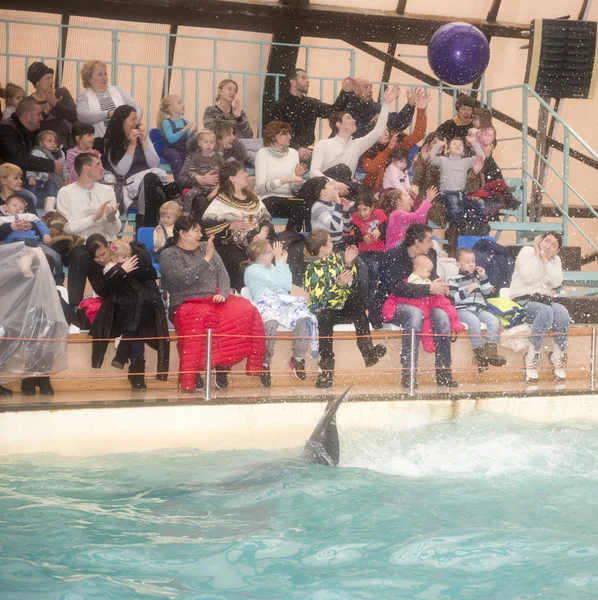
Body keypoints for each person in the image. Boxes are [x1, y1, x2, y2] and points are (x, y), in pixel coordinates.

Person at [159, 217, 265, 392]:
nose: (201, 235)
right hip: (184, 303)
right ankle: (195, 371)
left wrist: (223, 294)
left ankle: (223, 365)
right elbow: (182, 280)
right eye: (196, 231)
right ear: (182, 233)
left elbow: (223, 274)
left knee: (244, 310)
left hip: (214, 300)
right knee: (201, 319)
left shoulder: (206, 248)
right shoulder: (169, 255)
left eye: (201, 231)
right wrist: (205, 259)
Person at [373, 223, 458, 389]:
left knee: (442, 316)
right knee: (414, 314)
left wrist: (440, 288)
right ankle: (409, 372)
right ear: (417, 242)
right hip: (393, 303)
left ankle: (444, 373)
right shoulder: (393, 256)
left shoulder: (430, 254)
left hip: (423, 301)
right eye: (429, 240)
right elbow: (396, 288)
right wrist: (427, 288)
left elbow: (431, 278)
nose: (432, 243)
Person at [304, 230, 386, 388]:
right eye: (329, 241)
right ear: (322, 248)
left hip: (342, 305)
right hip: (325, 310)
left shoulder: (338, 259)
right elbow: (323, 301)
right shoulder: (312, 271)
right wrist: (338, 285)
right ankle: (326, 370)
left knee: (357, 307)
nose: (332, 244)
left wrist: (348, 264)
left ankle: (367, 350)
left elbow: (353, 285)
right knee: (324, 319)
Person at [87, 235, 169, 390]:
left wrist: (128, 265)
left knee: (138, 315)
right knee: (135, 316)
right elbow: (103, 290)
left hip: (142, 301)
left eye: (104, 254)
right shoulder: (93, 268)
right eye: (96, 258)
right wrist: (121, 271)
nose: (101, 259)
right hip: (118, 303)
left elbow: (151, 274)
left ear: (109, 246)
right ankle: (136, 368)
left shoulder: (131, 253)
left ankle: (135, 366)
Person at [244, 239, 317, 387]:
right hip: (266, 304)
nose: (274, 253)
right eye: (270, 251)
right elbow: (278, 283)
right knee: (270, 323)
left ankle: (298, 357)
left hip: (282, 303)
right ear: (260, 255)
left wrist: (282, 263)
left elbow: (287, 284)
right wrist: (280, 262)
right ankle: (265, 362)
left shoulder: (274, 266)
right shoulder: (252, 270)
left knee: (303, 317)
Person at [0, 243, 69, 397]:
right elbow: (16, 300)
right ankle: (33, 376)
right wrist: (25, 271)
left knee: (49, 325)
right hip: (9, 319)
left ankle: (38, 375)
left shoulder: (43, 274)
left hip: (30, 317)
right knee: (19, 329)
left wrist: (29, 269)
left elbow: (41, 297)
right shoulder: (8, 270)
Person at [56, 152, 121, 306]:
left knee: (137, 254)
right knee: (80, 256)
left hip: (107, 243)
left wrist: (111, 218)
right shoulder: (66, 192)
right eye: (98, 164)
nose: (102, 168)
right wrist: (94, 218)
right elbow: (68, 228)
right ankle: (75, 307)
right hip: (81, 244)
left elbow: (114, 231)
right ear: (86, 168)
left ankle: (120, 306)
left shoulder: (107, 191)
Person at [202, 160, 274, 291]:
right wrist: (229, 225)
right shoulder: (221, 200)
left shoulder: (254, 198)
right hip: (232, 247)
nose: (247, 175)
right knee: (241, 265)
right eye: (243, 172)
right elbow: (206, 224)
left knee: (273, 256)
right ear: (232, 178)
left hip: (258, 242)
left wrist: (263, 232)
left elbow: (265, 217)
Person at [310, 86, 400, 187]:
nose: (354, 120)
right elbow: (313, 172)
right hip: (326, 189)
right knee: (342, 170)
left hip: (347, 189)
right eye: (349, 118)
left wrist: (386, 104)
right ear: (338, 124)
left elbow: (378, 132)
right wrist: (334, 184)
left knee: (364, 193)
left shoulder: (356, 145)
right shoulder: (323, 144)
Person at [509, 232, 569, 382]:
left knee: (562, 312)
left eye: (553, 245)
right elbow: (528, 278)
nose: (548, 246)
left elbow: (556, 282)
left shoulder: (556, 260)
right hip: (522, 299)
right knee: (545, 311)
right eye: (547, 241)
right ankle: (532, 357)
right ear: (540, 241)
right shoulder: (527, 251)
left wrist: (545, 260)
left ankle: (558, 355)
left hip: (542, 300)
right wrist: (537, 254)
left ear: (557, 250)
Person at [382, 254, 465, 355]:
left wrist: (440, 289)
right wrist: (430, 288)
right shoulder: (412, 279)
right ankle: (427, 343)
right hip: (419, 305)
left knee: (444, 303)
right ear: (419, 269)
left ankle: (454, 321)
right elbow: (398, 296)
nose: (430, 274)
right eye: (428, 271)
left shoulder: (424, 277)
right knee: (425, 324)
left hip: (426, 302)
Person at [103, 105, 168, 227]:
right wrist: (132, 145)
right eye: (132, 119)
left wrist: (143, 142)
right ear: (122, 121)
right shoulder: (110, 141)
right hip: (130, 188)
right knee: (155, 195)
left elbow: (154, 164)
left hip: (149, 185)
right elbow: (121, 171)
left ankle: (144, 224)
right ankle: (147, 228)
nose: (136, 122)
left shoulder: (143, 136)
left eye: (136, 119)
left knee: (150, 180)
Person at [269, 68, 349, 162]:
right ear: (293, 82)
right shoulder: (280, 105)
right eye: (303, 78)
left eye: (307, 78)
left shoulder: (311, 103)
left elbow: (333, 111)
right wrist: (297, 148)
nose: (308, 81)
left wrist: (344, 92)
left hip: (308, 151)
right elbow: (275, 133)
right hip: (286, 152)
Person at [448, 248, 507, 371]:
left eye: (473, 261)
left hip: (479, 309)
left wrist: (483, 277)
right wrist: (467, 290)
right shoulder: (454, 279)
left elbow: (487, 292)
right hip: (463, 310)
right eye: (467, 262)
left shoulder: (478, 278)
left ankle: (490, 351)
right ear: (458, 264)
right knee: (474, 321)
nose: (471, 264)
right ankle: (479, 352)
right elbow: (453, 299)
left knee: (494, 321)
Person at [361, 90, 430, 193]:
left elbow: (418, 134)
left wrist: (421, 110)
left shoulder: (396, 144)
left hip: (395, 192)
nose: (385, 133)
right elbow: (371, 168)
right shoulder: (367, 149)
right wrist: (388, 150)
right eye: (380, 131)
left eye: (386, 130)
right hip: (373, 193)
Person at [254, 120, 308, 232]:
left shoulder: (293, 153)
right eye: (284, 134)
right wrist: (285, 179)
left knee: (305, 205)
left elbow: (295, 190)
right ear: (273, 136)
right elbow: (261, 187)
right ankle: (289, 238)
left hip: (288, 197)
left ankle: (292, 237)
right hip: (268, 197)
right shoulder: (262, 153)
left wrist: (297, 178)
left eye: (289, 133)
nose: (289, 137)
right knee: (297, 207)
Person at [0, 98, 64, 191]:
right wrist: (52, 165)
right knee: (32, 199)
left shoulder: (31, 131)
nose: (41, 118)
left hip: (25, 182)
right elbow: (20, 158)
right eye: (39, 114)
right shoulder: (6, 129)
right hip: (7, 188)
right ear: (27, 115)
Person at [0, 194, 64, 283]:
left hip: (35, 242)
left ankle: (59, 281)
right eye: (14, 206)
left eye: (21, 208)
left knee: (55, 256)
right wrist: (10, 227)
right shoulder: (4, 219)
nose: (18, 209)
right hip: (18, 242)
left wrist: (45, 234)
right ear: (5, 207)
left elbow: (40, 223)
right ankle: (27, 272)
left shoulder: (28, 216)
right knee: (25, 255)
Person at [430, 135, 486, 235]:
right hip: (446, 193)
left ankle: (480, 227)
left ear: (464, 151)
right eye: (454, 144)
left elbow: (481, 157)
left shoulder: (466, 161)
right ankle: (462, 225)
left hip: (461, 194)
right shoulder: (443, 160)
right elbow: (431, 159)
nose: (458, 145)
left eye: (460, 144)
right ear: (447, 149)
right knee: (454, 202)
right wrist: (437, 146)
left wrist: (474, 142)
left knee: (478, 204)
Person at [76, 60, 143, 139]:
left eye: (105, 74)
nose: (104, 78)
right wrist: (108, 114)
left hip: (125, 138)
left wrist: (134, 122)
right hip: (100, 142)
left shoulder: (118, 90)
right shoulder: (83, 97)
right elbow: (82, 115)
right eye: (100, 74)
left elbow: (137, 108)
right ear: (89, 79)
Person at [333, 77, 417, 139]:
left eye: (371, 87)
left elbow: (398, 123)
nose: (370, 90)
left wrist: (410, 105)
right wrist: (371, 124)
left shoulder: (374, 107)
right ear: (356, 89)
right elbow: (354, 134)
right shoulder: (345, 108)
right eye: (366, 87)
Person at [26, 62, 76, 148]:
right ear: (37, 82)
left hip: (68, 143)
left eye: (52, 78)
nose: (51, 81)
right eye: (47, 78)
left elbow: (74, 116)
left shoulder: (62, 93)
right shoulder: (29, 102)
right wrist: (45, 113)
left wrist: (56, 104)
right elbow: (30, 128)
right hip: (45, 146)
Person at [177, 129, 225, 218]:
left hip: (215, 188)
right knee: (188, 195)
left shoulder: (219, 157)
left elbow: (225, 172)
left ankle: (219, 219)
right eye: (206, 142)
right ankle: (186, 217)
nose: (209, 144)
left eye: (211, 142)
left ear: (215, 144)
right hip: (200, 187)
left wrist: (218, 186)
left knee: (223, 199)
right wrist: (197, 177)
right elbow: (190, 171)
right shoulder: (196, 157)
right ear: (199, 143)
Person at [351, 191, 387, 307]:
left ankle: (371, 297)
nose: (362, 213)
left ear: (372, 207)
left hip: (378, 251)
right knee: (362, 271)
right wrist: (362, 238)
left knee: (374, 268)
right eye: (359, 210)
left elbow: (386, 232)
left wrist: (379, 231)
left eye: (365, 209)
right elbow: (355, 236)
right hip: (363, 251)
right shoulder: (356, 217)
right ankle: (363, 298)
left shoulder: (379, 214)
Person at [156, 94, 196, 180]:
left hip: (183, 148)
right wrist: (185, 129)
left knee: (191, 158)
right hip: (171, 149)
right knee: (176, 159)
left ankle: (190, 181)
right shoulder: (167, 122)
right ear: (170, 108)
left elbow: (189, 138)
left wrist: (192, 133)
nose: (183, 105)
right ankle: (180, 182)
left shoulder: (185, 121)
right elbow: (171, 139)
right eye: (179, 103)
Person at [27, 130, 68, 207]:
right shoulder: (36, 152)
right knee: (33, 193)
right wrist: (31, 177)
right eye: (49, 141)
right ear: (41, 143)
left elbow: (64, 167)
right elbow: (30, 167)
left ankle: (50, 207)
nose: (53, 143)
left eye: (55, 141)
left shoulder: (59, 154)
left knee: (52, 191)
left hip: (52, 179)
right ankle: (32, 208)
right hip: (37, 179)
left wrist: (66, 177)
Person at [310, 177, 353, 246]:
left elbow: (348, 230)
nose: (333, 186)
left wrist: (345, 212)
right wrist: (338, 205)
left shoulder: (335, 205)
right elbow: (334, 226)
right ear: (324, 191)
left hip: (337, 245)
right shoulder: (318, 207)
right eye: (330, 185)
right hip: (323, 247)